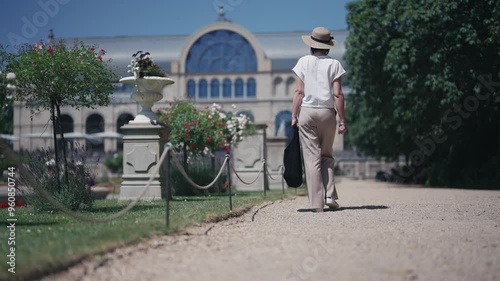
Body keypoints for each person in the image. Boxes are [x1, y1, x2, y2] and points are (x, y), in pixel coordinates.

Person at [291, 27, 347, 212]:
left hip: (307, 112)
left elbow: (299, 91)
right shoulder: (334, 64)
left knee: (311, 159)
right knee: (326, 156)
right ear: (328, 46)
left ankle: (316, 204)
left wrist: (294, 115)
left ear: (311, 45)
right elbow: (338, 94)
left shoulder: (303, 62)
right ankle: (329, 195)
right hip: (327, 112)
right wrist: (342, 120)